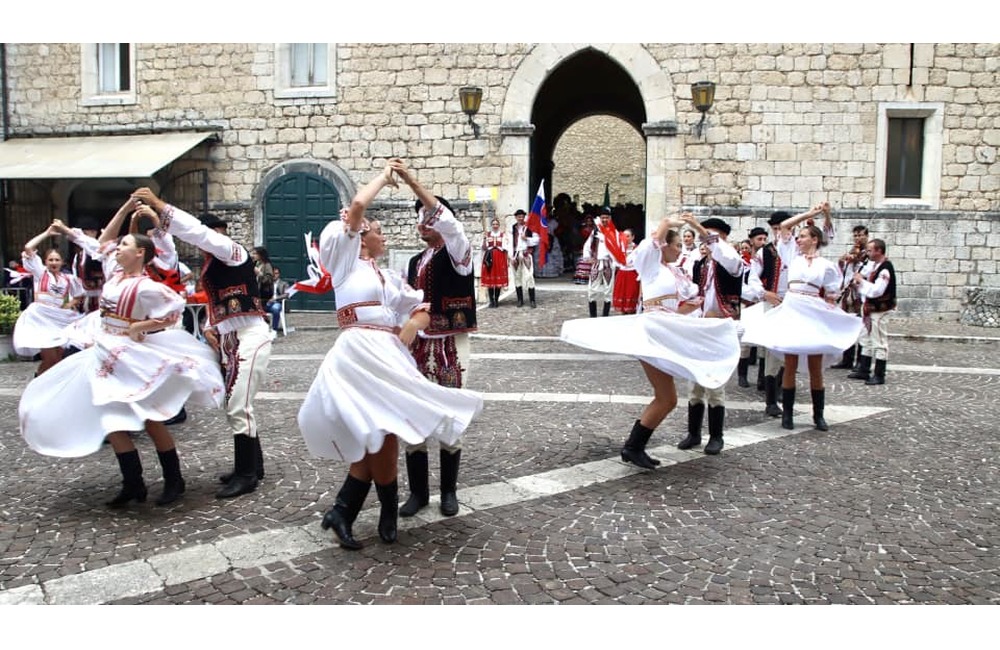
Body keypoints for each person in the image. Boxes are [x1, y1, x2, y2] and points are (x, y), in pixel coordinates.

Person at [298, 162, 483, 550]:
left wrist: (413, 323)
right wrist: (384, 177)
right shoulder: (347, 262)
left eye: (426, 218)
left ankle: (356, 509)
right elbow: (357, 207)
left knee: (387, 429)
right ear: (361, 238)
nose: (387, 234)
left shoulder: (398, 272)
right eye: (378, 230)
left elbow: (418, 305)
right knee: (378, 429)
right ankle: (390, 504)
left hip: (402, 350)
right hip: (361, 354)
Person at [19, 204, 224, 508]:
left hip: (129, 356)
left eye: (125, 244)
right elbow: (103, 241)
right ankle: (133, 484)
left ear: (140, 253)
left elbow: (173, 309)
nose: (117, 248)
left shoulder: (145, 286)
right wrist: (127, 209)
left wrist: (142, 325)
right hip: (103, 351)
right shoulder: (114, 274)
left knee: (150, 418)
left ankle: (174, 480)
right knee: (111, 419)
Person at [560, 214, 740, 468]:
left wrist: (689, 308)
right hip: (653, 334)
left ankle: (634, 447)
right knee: (667, 398)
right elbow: (651, 246)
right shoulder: (651, 266)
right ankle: (633, 447)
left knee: (667, 398)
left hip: (665, 331)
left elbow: (677, 307)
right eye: (676, 245)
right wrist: (666, 224)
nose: (680, 250)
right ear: (664, 245)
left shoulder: (673, 271)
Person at [132, 187, 273, 499]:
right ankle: (253, 466)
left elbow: (198, 233)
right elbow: (216, 301)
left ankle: (247, 474)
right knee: (237, 404)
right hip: (231, 339)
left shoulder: (233, 252)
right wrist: (211, 328)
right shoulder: (212, 265)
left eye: (215, 233)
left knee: (238, 405)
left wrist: (159, 206)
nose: (211, 238)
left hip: (251, 335)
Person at [395, 158, 478, 518]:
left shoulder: (458, 252)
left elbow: (450, 225)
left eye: (427, 217)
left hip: (450, 343)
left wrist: (413, 182)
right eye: (419, 218)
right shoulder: (414, 261)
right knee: (413, 414)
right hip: (419, 345)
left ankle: (448, 491)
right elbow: (403, 301)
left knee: (449, 413)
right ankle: (417, 493)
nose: (421, 223)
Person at [741, 202, 863, 432]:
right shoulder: (792, 256)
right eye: (799, 236)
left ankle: (819, 415)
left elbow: (832, 292)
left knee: (815, 365)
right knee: (790, 362)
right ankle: (787, 414)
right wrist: (811, 213)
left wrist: (830, 311)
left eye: (804, 236)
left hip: (812, 310)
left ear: (814, 239)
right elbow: (785, 227)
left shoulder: (825, 265)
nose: (798, 239)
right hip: (793, 308)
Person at [677, 215, 747, 455]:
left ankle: (717, 436)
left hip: (719, 329)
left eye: (709, 236)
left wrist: (698, 227)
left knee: (715, 384)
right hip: (700, 328)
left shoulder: (732, 262)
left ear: (722, 238)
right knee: (694, 383)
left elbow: (725, 255)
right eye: (703, 237)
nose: (705, 242)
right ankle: (694, 433)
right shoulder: (699, 264)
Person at [13, 225, 86, 375]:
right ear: (45, 262)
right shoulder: (40, 273)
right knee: (50, 358)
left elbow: (80, 294)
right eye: (51, 259)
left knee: (58, 358)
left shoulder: (68, 279)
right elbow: (28, 247)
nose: (54, 262)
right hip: (41, 318)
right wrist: (47, 233)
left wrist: (69, 304)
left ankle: (47, 383)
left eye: (57, 260)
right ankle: (38, 382)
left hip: (59, 318)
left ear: (62, 262)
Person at [849, 239, 896, 385]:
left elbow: (877, 291)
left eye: (870, 250)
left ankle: (879, 374)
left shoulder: (885, 269)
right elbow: (865, 274)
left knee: (879, 341)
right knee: (865, 338)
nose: (867, 253)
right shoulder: (875, 266)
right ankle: (864, 369)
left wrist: (861, 282)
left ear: (879, 251)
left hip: (879, 310)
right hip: (868, 309)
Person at [831, 225, 870, 370]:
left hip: (860, 294)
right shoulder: (852, 252)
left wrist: (855, 258)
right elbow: (843, 270)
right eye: (855, 235)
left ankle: (861, 361)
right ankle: (847, 359)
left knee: (862, 327)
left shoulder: (868, 254)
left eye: (860, 235)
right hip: (848, 293)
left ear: (866, 236)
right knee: (847, 325)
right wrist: (843, 260)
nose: (857, 238)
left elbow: (866, 270)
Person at [66, 217, 105, 315]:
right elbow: (76, 280)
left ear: (94, 233)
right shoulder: (78, 256)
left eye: (84, 234)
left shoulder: (102, 252)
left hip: (102, 301)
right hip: (84, 303)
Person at [584, 207, 617, 317]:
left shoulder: (614, 233)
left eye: (606, 218)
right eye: (603, 218)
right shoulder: (595, 232)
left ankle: (605, 316)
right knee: (592, 289)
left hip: (608, 263)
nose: (604, 220)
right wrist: (588, 258)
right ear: (600, 218)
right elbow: (587, 245)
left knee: (608, 290)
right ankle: (593, 316)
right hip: (597, 263)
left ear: (610, 218)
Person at [509, 209, 539, 307]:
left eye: (522, 216)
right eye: (518, 217)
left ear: (524, 217)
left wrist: (526, 239)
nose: (520, 218)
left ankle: (532, 300)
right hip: (516, 255)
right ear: (516, 217)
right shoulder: (513, 228)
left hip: (526, 253)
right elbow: (510, 242)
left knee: (529, 276)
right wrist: (511, 256)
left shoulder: (529, 227)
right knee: (517, 277)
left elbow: (537, 240)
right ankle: (520, 300)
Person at [480, 217, 509, 308]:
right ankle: (491, 301)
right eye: (493, 224)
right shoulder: (487, 235)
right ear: (491, 225)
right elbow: (484, 248)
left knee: (497, 279)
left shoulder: (502, 235)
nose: (495, 226)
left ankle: (496, 300)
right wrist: (484, 240)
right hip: (489, 257)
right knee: (490, 279)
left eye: (496, 224)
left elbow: (505, 247)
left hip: (499, 258)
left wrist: (499, 247)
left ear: (499, 225)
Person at [611, 228, 640, 315]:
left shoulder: (637, 248)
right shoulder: (620, 248)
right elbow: (615, 261)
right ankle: (623, 314)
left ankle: (632, 313)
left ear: (633, 237)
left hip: (632, 274)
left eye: (628, 236)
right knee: (622, 294)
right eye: (623, 236)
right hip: (622, 274)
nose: (625, 238)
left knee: (631, 294)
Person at [265, 267, 291, 333]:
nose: (274, 275)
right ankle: (263, 329)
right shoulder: (267, 283)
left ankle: (274, 329)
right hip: (267, 302)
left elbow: (286, 294)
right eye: (273, 274)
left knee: (275, 309)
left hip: (277, 302)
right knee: (257, 309)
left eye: (276, 273)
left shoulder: (284, 284)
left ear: (279, 274)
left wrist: (275, 298)